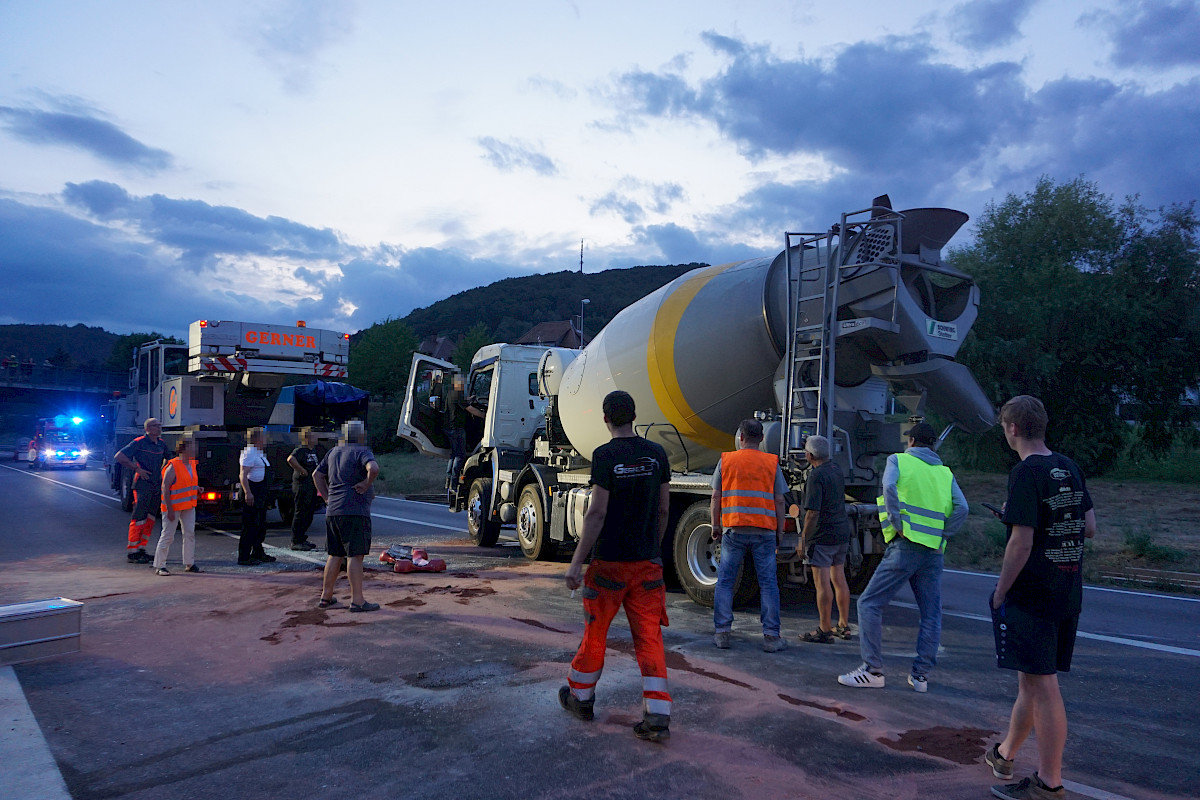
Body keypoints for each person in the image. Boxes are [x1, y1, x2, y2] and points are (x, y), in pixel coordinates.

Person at [985, 396, 1097, 800]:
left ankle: (1050, 783)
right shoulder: (1068, 466)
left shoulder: (1025, 472)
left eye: (1004, 428)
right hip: (1068, 589)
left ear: (1012, 428)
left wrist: (1000, 591)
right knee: (1030, 681)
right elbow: (1088, 527)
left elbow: (1020, 543)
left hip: (1033, 592)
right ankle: (1005, 754)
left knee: (1044, 686)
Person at [560, 390, 673, 743]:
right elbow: (663, 510)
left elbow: (597, 512)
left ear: (606, 419)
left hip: (609, 564)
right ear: (634, 415)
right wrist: (651, 547)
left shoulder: (605, 456)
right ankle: (657, 715)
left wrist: (576, 564)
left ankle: (581, 699)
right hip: (646, 566)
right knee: (649, 637)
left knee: (596, 635)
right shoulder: (657, 453)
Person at [838, 421, 967, 691]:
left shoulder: (899, 460)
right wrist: (943, 534)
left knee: (869, 604)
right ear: (932, 445)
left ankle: (872, 670)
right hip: (933, 551)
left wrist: (898, 525)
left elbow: (888, 488)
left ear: (911, 442)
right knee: (931, 613)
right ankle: (920, 676)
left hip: (906, 546)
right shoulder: (945, 472)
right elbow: (962, 508)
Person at [710, 418, 788, 652]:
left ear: (740, 437)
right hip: (764, 530)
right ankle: (771, 638)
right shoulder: (771, 462)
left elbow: (715, 496)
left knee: (725, 581)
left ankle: (722, 633)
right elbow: (780, 500)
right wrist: (780, 530)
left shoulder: (727, 460)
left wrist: (715, 525)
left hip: (734, 530)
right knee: (768, 584)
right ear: (762, 439)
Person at [313, 419, 380, 612]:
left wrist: (327, 497)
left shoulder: (333, 452)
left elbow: (316, 475)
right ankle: (357, 600)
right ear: (360, 435)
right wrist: (366, 484)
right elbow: (373, 468)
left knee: (334, 554)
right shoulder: (362, 451)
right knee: (355, 556)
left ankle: (326, 596)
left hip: (334, 510)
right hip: (355, 511)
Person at [798, 434, 854, 644]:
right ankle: (843, 625)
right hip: (841, 532)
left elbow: (812, 513)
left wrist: (804, 538)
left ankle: (824, 628)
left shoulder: (816, 476)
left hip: (823, 536)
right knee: (839, 579)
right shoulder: (836, 470)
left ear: (810, 455)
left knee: (822, 584)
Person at [115, 418, 170, 564]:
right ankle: (132, 552)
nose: (159, 428)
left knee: (150, 518)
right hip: (142, 485)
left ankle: (141, 549)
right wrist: (136, 469)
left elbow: (170, 460)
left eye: (159, 425)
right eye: (155, 426)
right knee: (139, 517)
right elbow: (119, 456)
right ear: (148, 429)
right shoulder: (139, 442)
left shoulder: (161, 444)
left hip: (156, 485)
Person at [153, 436, 201, 575]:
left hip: (188, 505)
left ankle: (189, 563)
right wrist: (169, 509)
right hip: (174, 507)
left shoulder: (191, 464)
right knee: (168, 535)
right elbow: (165, 488)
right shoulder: (173, 465)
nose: (195, 448)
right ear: (184, 448)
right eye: (193, 445)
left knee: (190, 534)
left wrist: (197, 488)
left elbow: (186, 482)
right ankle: (160, 565)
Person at [237, 428, 275, 566]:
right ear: (257, 439)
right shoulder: (249, 453)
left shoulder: (260, 453)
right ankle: (244, 557)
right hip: (252, 492)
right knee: (250, 526)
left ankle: (258, 552)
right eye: (263, 437)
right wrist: (248, 492)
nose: (265, 439)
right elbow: (243, 474)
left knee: (260, 525)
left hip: (261, 494)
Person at [286, 428, 322, 551]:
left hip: (311, 486)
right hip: (302, 486)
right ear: (307, 438)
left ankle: (302, 538)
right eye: (314, 436)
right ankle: (295, 540)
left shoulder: (313, 451)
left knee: (309, 513)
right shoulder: (301, 450)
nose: (316, 438)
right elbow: (291, 459)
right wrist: (302, 470)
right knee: (301, 512)